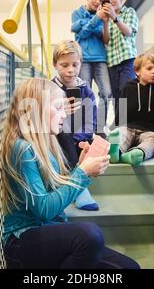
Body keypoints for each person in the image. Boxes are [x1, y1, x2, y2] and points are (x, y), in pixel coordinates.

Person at [0, 78, 140, 269]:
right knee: (90, 236)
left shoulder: (48, 142)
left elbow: (56, 192)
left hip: (49, 232)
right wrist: (82, 173)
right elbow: (44, 209)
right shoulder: (22, 149)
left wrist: (81, 168)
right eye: (58, 108)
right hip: (23, 241)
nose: (64, 115)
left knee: (130, 267)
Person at [52, 40, 99, 211]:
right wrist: (57, 106)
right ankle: (78, 188)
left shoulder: (86, 91)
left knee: (97, 141)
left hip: (79, 140)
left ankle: (77, 175)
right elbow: (43, 121)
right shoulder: (50, 89)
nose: (70, 70)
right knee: (64, 135)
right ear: (55, 65)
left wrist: (83, 139)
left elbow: (91, 121)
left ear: (81, 63)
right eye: (64, 65)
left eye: (75, 64)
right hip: (57, 139)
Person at [108, 53, 154, 166]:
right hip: (128, 127)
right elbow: (121, 112)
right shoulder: (128, 87)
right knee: (122, 134)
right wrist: (117, 128)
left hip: (150, 131)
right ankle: (116, 151)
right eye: (149, 68)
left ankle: (136, 154)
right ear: (137, 71)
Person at [72, 0, 112, 126]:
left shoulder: (102, 16)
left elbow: (105, 39)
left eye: (101, 0)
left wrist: (104, 23)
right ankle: (86, 126)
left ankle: (100, 127)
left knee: (107, 94)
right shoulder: (76, 13)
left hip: (100, 59)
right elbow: (82, 34)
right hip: (84, 60)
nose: (97, 2)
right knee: (85, 94)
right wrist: (96, 19)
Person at [102, 0, 139, 125]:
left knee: (126, 92)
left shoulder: (129, 12)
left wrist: (114, 17)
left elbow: (128, 32)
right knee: (116, 95)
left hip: (127, 59)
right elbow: (105, 40)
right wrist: (106, 23)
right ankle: (120, 125)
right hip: (111, 62)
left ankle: (127, 124)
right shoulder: (106, 17)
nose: (111, 1)